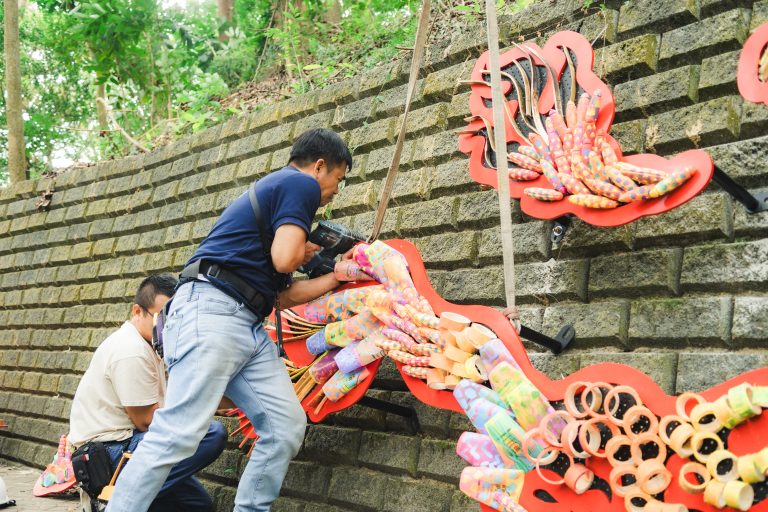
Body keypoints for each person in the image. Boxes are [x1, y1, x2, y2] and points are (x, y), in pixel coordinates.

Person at [105, 128, 353, 512]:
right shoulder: (298, 184)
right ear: (319, 166)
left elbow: (282, 296)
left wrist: (337, 275)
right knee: (177, 433)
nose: (336, 190)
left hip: (247, 324)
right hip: (214, 310)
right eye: (338, 178)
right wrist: (302, 249)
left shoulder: (277, 207)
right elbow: (285, 259)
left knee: (284, 427)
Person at [69, 273, 227, 512]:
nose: (170, 324)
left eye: (176, 316)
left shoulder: (154, 345)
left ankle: (128, 499)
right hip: (108, 452)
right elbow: (145, 421)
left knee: (198, 506)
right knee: (210, 433)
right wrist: (204, 404)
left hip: (126, 443)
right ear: (137, 312)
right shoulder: (130, 350)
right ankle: (119, 502)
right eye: (161, 316)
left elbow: (179, 400)